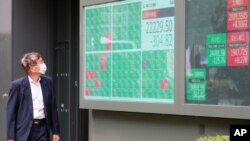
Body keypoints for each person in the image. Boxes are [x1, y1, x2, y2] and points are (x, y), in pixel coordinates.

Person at [6, 52, 60, 141]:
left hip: (43, 129)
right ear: (32, 68)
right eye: (40, 62)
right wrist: (11, 137)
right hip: (25, 130)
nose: (43, 64)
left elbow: (53, 107)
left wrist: (56, 131)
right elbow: (11, 113)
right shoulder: (17, 85)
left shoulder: (48, 82)